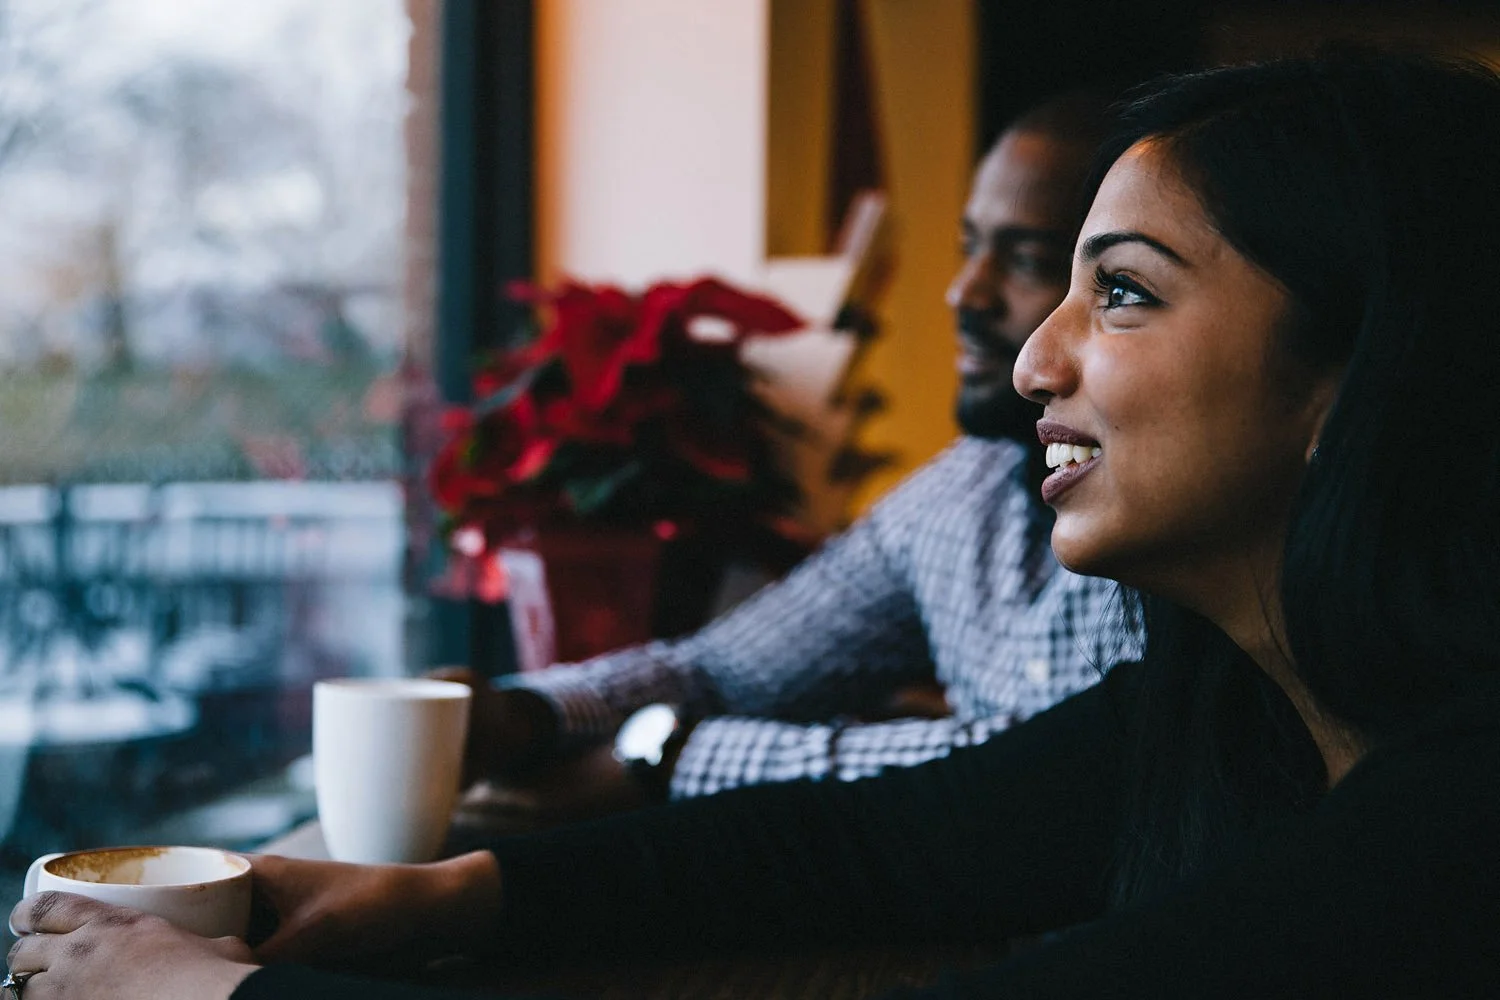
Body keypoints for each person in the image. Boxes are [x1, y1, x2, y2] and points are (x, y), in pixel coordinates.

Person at [13, 46, 1500, 998]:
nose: (1032, 351)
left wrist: (206, 994)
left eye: (1117, 291)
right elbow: (868, 846)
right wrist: (429, 887)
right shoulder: (1228, 700)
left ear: (1364, 374)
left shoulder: (1443, 837)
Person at [456, 91, 1133, 809]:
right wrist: (524, 715)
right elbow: (726, 671)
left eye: (1026, 261)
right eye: (971, 248)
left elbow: (1037, 772)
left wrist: (672, 758)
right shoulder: (968, 488)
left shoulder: (1182, 511)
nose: (964, 292)